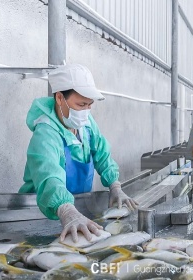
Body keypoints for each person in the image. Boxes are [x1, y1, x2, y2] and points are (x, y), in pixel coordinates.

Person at [19, 64, 138, 242]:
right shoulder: (46, 133)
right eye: (81, 104)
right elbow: (49, 176)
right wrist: (66, 210)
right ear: (60, 98)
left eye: (90, 105)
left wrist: (115, 186)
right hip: (39, 217)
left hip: (77, 215)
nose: (86, 111)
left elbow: (103, 154)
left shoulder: (86, 124)